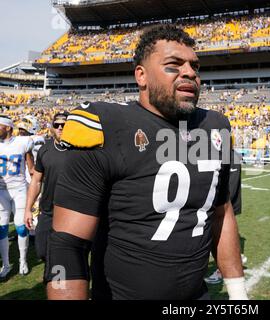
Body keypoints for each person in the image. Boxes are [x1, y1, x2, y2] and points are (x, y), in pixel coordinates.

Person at [46, 24, 247, 300]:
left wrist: (239, 295)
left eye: (194, 66)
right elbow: (67, 244)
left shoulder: (215, 126)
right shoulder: (106, 124)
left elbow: (222, 214)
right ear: (141, 75)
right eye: (173, 65)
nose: (189, 72)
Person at [24, 111, 69, 262]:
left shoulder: (80, 150)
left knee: (67, 255)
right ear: (51, 128)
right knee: (42, 251)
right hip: (48, 211)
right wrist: (28, 209)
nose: (61, 128)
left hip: (72, 212)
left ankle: (59, 281)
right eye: (57, 125)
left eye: (64, 125)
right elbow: (36, 181)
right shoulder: (45, 149)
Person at [205, 149, 246, 285]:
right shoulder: (231, 154)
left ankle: (221, 270)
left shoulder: (229, 156)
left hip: (225, 203)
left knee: (220, 230)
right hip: (227, 202)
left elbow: (229, 185)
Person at [0, 115, 34, 278]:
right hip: (1, 191)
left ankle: (22, 260)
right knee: (2, 229)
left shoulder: (22, 142)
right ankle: (6, 264)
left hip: (19, 189)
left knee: (20, 226)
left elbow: (32, 167)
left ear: (7, 127)